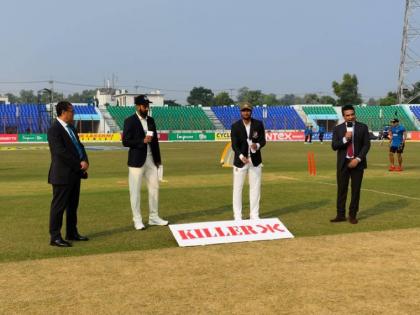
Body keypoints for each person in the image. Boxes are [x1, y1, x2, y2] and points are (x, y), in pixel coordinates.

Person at [122, 94, 168, 230]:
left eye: (148, 106)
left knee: (154, 189)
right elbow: (125, 141)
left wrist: (158, 160)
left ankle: (154, 217)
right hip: (136, 161)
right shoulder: (129, 121)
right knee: (135, 191)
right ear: (137, 106)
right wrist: (141, 141)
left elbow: (155, 142)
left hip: (151, 160)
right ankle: (137, 219)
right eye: (144, 106)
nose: (147, 108)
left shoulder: (151, 120)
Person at [47, 101, 89, 247]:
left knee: (72, 206)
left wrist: (85, 160)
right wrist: (79, 163)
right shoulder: (54, 129)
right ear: (63, 112)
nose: (74, 113)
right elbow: (60, 153)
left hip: (74, 174)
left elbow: (79, 146)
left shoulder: (71, 127)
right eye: (72, 111)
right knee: (58, 207)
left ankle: (71, 232)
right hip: (62, 175)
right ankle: (55, 237)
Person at [330, 105, 370, 224]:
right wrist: (344, 139)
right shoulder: (338, 129)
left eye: (352, 114)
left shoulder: (363, 127)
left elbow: (366, 145)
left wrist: (357, 159)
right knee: (341, 190)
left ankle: (352, 215)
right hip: (343, 163)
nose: (350, 117)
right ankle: (340, 215)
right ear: (344, 116)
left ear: (355, 114)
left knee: (355, 190)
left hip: (357, 163)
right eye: (348, 115)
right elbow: (334, 146)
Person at [231, 102, 266, 221]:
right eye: (244, 110)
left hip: (255, 161)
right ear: (241, 112)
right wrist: (241, 156)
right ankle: (237, 216)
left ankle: (254, 215)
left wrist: (257, 145)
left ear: (251, 111)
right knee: (237, 189)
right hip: (240, 162)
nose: (246, 112)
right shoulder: (235, 126)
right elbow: (234, 145)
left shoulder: (258, 124)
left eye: (248, 110)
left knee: (255, 188)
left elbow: (263, 141)